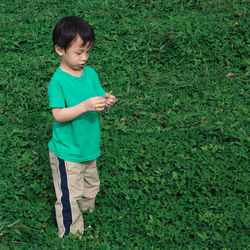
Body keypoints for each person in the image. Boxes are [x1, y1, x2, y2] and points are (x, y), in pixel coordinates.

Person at [48, 16, 116, 238]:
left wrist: (105, 100)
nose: (84, 58)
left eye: (88, 51)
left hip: (88, 146)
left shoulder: (90, 74)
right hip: (68, 151)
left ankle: (88, 214)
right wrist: (84, 106)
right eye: (79, 52)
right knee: (70, 194)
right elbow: (58, 115)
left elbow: (95, 99)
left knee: (91, 185)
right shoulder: (58, 82)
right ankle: (71, 234)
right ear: (60, 50)